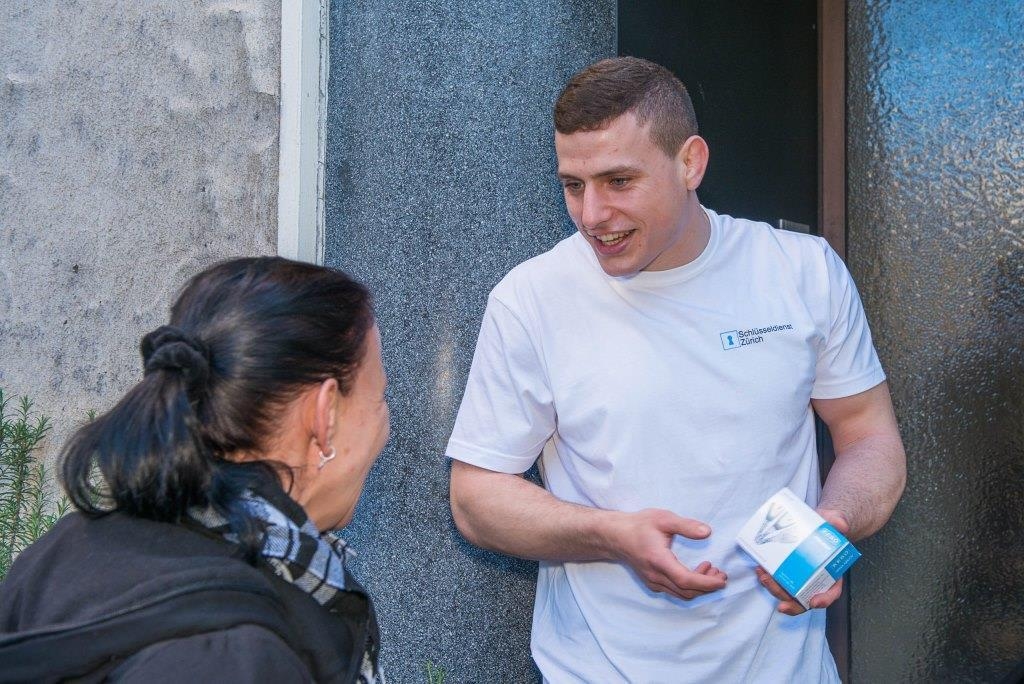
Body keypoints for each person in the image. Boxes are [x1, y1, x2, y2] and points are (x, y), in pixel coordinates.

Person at [447, 57, 906, 682]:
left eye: (618, 181)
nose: (591, 214)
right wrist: (611, 535)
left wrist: (832, 526)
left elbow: (870, 438)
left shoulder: (801, 272)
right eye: (573, 185)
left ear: (690, 162)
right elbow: (475, 499)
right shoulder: (531, 299)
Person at [0, 257, 389, 683]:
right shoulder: (239, 658)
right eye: (380, 398)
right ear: (324, 417)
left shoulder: (59, 553)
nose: (385, 429)